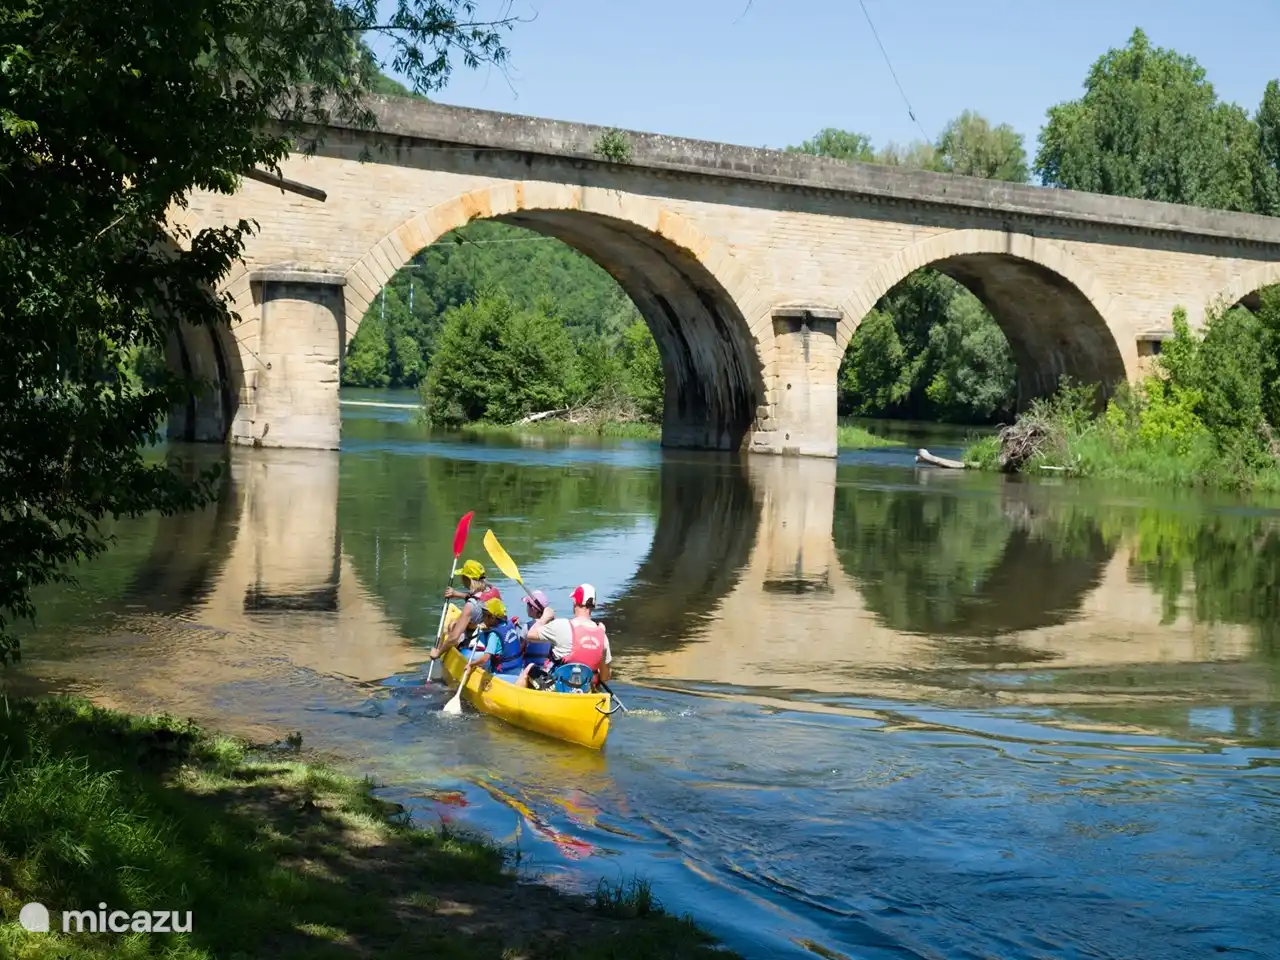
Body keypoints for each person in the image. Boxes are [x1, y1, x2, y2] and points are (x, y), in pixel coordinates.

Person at [524, 584, 612, 691]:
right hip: (586, 690)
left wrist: (544, 617)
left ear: (575, 602)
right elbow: (605, 677)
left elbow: (530, 635)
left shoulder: (562, 625)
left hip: (560, 689)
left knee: (530, 668)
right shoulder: (602, 634)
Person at [431, 559, 501, 661]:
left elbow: (454, 637)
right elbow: (478, 598)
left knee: (452, 626)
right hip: (496, 644)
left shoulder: (470, 606)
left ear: (467, 579)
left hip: (477, 649)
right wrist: (456, 594)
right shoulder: (493, 590)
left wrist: (438, 653)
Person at [454, 598, 525, 682]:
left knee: (481, 663)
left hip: (503, 674)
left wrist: (470, 664)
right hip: (518, 670)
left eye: (484, 615)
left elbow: (485, 659)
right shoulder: (509, 624)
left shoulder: (494, 635)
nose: (482, 618)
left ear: (492, 617)